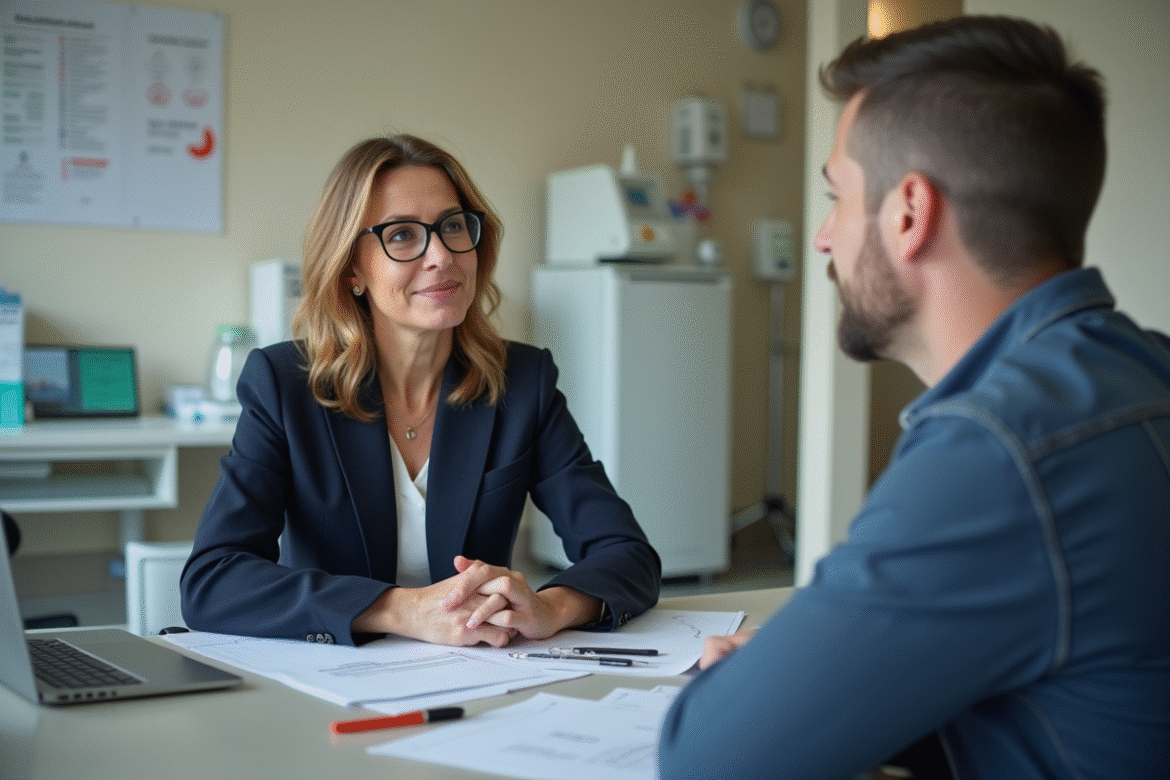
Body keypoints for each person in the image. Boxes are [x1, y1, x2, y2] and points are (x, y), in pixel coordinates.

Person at [659, 15, 1170, 780]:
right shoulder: (1146, 371)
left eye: (837, 197)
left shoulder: (997, 450)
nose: (825, 237)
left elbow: (709, 761)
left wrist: (767, 678)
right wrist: (832, 665)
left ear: (908, 213)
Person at [181, 134, 660, 648]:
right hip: (331, 680)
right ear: (352, 272)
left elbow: (626, 553)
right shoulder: (285, 384)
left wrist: (552, 607)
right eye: (402, 236)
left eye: (453, 227)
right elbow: (213, 580)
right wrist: (401, 609)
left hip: (475, 678)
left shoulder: (522, 381)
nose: (441, 256)